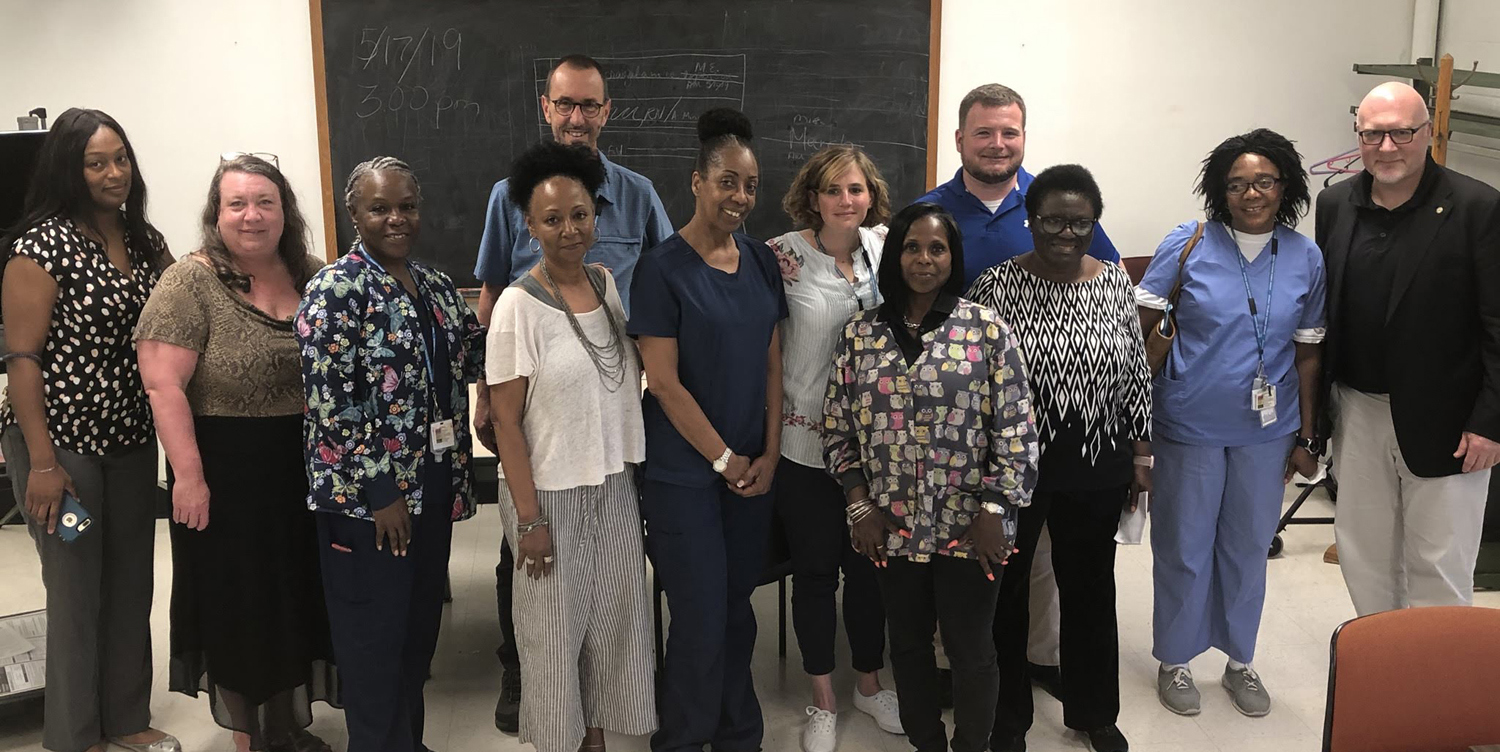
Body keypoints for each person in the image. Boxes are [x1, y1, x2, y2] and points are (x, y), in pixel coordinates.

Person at [471, 54, 672, 733]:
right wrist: (487, 398)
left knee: (616, 613)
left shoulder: (624, 238)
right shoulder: (511, 235)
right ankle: (538, 697)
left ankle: (600, 728)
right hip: (546, 460)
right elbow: (492, 298)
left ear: (606, 111)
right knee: (545, 609)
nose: (577, 117)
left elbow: (667, 285)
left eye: (590, 104)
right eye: (566, 104)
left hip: (611, 458)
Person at [136, 154, 335, 752]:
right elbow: (162, 384)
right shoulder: (188, 282)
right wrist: (188, 479)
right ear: (216, 214)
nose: (252, 215)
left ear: (285, 212)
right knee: (241, 604)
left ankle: (285, 727)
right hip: (223, 473)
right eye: (237, 204)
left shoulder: (312, 274)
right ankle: (249, 736)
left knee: (294, 595)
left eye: (265, 202)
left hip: (301, 471)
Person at [824, 201, 1038, 752]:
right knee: (908, 646)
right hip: (891, 526)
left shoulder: (986, 329)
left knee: (972, 649)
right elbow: (839, 430)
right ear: (894, 256)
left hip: (972, 527)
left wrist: (995, 510)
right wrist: (859, 506)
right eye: (911, 247)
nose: (924, 259)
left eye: (937, 248)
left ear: (952, 256)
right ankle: (926, 743)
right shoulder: (860, 335)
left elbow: (1016, 428)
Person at [0, 108, 179, 752]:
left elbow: (179, 312)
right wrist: (43, 464)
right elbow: (22, 359)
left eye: (120, 158)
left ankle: (126, 720)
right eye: (95, 163)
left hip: (129, 439)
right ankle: (75, 737)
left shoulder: (145, 239)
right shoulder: (39, 247)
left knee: (131, 583)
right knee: (76, 591)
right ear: (68, 171)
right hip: (60, 445)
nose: (113, 173)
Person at [296, 157, 485, 752]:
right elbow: (332, 405)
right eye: (380, 208)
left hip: (434, 483)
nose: (397, 218)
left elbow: (474, 357)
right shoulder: (336, 289)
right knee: (372, 641)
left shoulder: (434, 285)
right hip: (368, 502)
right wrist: (382, 492)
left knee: (416, 634)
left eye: (407, 206)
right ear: (354, 214)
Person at [1136, 129, 1326, 719]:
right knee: (1184, 546)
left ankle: (1240, 660)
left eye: (1264, 181)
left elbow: (1309, 351)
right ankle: (1176, 658)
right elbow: (1139, 335)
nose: (1251, 193)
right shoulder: (1189, 242)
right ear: (1220, 190)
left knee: (1247, 548)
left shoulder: (1305, 256)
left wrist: (1308, 434)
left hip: (1267, 432)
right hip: (1188, 422)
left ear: (1285, 187)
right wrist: (1136, 431)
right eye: (1237, 183)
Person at [967, 166, 1150, 752]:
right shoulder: (995, 286)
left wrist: (1142, 452)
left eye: (1080, 223)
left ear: (1094, 225)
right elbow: (973, 380)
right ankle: (1007, 719)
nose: (1066, 234)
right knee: (1007, 593)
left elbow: (1135, 369)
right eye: (1052, 221)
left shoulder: (1114, 281)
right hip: (1014, 469)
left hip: (1098, 463)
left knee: (1090, 589)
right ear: (1030, 220)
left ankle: (1094, 713)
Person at [628, 108, 785, 752]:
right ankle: (684, 737)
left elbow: (773, 362)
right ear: (696, 182)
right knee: (698, 615)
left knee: (737, 610)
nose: (740, 197)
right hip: (684, 475)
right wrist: (723, 459)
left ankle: (738, 733)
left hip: (751, 472)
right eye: (727, 182)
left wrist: (770, 452)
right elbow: (663, 383)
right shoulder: (661, 268)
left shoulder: (762, 261)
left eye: (750, 186)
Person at [1316, 82, 1500, 615]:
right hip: (1357, 409)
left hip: (1451, 419)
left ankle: (1434, 667)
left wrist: (1491, 422)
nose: (1387, 147)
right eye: (1373, 135)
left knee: (1439, 563)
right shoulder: (1336, 204)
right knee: (1364, 553)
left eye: (1402, 133)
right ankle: (1381, 659)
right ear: (1357, 136)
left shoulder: (1478, 207)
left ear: (1427, 132)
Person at [767, 145, 901, 752]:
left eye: (855, 189)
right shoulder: (781, 256)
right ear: (812, 197)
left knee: (871, 571)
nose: (845, 200)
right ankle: (822, 698)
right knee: (817, 573)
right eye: (832, 190)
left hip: (874, 450)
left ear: (871, 195)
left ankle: (868, 684)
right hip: (805, 445)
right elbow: (766, 350)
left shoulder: (887, 249)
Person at [915, 83, 1119, 289]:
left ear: (1023, 138)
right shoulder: (926, 214)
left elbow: (1114, 278)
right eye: (984, 133)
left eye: (1009, 133)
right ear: (960, 140)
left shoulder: (1058, 205)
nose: (997, 144)